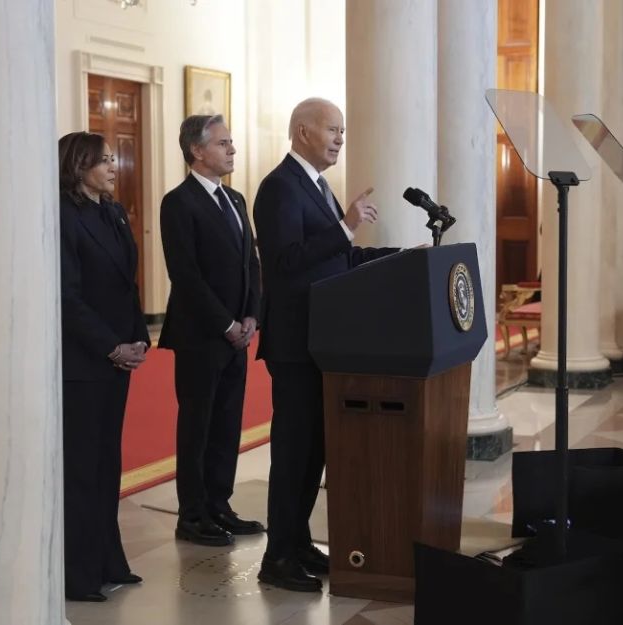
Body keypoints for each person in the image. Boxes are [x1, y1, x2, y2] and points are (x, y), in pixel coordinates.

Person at [253, 98, 399, 592]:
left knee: (314, 450)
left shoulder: (315, 186)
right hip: (294, 345)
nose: (340, 138)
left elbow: (338, 259)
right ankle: (276, 558)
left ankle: (297, 543)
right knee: (293, 452)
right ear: (302, 132)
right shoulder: (278, 188)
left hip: (323, 341)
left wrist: (400, 257)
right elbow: (287, 262)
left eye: (343, 130)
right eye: (333, 129)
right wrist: (345, 225)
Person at [158, 115, 264, 547]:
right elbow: (186, 275)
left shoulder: (236, 200)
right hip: (203, 335)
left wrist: (253, 315)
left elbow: (251, 265)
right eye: (223, 143)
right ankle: (193, 514)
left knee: (227, 424)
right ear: (197, 151)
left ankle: (220, 504)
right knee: (198, 425)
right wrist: (226, 324)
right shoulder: (178, 203)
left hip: (239, 333)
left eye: (232, 142)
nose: (232, 150)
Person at [58, 131, 150, 602]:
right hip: (84, 361)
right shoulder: (64, 215)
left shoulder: (111, 211)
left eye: (114, 158)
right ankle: (78, 575)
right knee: (82, 469)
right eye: (104, 160)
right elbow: (67, 298)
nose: (115, 166)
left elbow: (127, 284)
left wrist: (138, 337)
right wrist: (110, 346)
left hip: (117, 357)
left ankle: (109, 560)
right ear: (78, 166)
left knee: (107, 464)